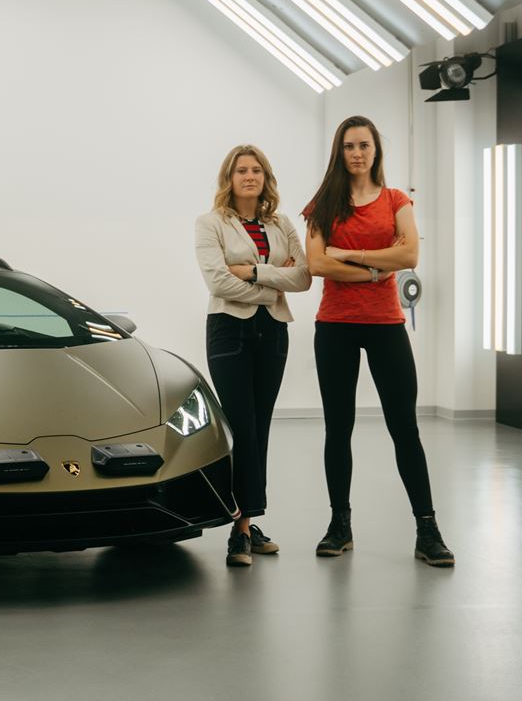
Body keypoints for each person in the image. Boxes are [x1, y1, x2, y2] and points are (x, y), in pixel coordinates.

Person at [302, 116, 454, 567]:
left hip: (386, 324)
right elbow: (316, 265)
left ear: (375, 150)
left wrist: (350, 254)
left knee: (404, 427)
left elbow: (409, 254)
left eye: (364, 145)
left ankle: (427, 529)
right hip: (335, 325)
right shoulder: (323, 204)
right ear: (339, 151)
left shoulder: (395, 200)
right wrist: (374, 271)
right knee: (338, 427)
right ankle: (339, 525)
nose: (357, 153)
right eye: (349, 145)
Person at [194, 144, 310, 568]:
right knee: (241, 427)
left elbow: (303, 277)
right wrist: (272, 285)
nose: (249, 176)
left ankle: (248, 522)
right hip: (229, 331)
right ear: (230, 177)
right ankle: (239, 531)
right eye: (241, 170)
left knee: (260, 427)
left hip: (272, 331)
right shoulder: (210, 224)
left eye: (256, 170)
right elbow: (219, 282)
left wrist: (258, 272)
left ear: (265, 177)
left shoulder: (280, 224)